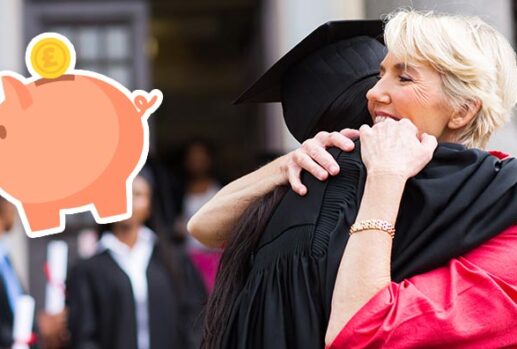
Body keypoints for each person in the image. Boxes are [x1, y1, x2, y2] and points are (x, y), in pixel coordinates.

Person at [189, 11, 517, 348]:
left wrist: (385, 177)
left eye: (404, 78)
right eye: (380, 73)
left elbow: (365, 331)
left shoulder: (502, 206)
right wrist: (292, 161)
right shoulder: (333, 177)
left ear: (463, 110)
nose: (373, 93)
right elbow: (203, 226)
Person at [67, 168, 207, 349]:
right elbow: (84, 336)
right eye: (121, 193)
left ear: (149, 206)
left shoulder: (174, 261)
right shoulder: (88, 269)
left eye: (138, 194)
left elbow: (195, 321)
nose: (128, 201)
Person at [0, 197, 69, 349]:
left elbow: (15, 314)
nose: (16, 210)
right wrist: (37, 329)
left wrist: (37, 328)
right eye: (12, 201)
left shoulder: (5, 259)